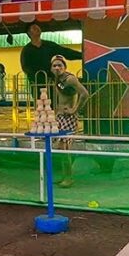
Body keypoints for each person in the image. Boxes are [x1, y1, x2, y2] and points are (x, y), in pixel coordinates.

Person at [49, 55, 89, 187]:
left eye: (59, 65)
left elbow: (85, 94)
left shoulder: (70, 79)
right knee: (61, 149)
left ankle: (69, 178)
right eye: (54, 65)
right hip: (60, 117)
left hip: (68, 118)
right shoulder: (57, 79)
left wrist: (74, 110)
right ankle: (65, 176)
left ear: (64, 67)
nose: (57, 68)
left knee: (65, 148)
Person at [20, 23, 57, 94]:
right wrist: (36, 78)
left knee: (53, 102)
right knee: (39, 103)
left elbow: (65, 51)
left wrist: (82, 55)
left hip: (51, 82)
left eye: (38, 27)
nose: (37, 28)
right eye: (34, 28)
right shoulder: (26, 50)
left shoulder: (49, 45)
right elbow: (25, 67)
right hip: (36, 84)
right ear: (29, 33)